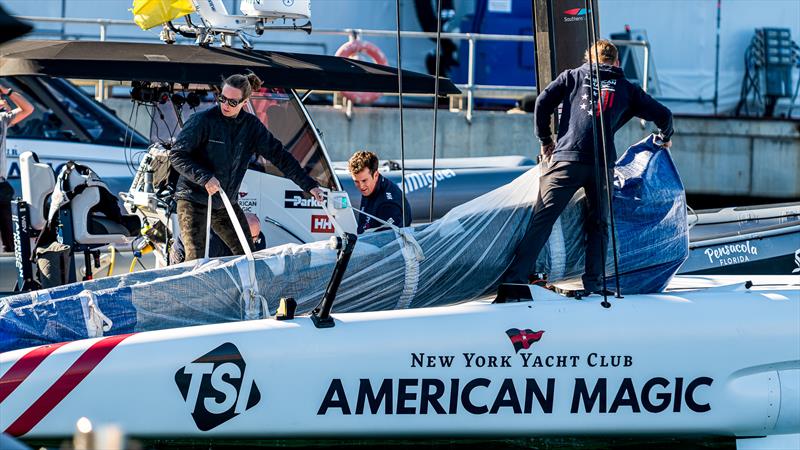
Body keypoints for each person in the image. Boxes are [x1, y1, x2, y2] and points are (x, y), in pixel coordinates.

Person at [504, 40, 673, 293]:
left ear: (588, 59)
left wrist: (546, 140)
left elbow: (542, 102)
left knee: (543, 220)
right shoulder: (628, 89)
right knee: (600, 224)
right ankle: (593, 284)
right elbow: (664, 115)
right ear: (617, 63)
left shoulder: (571, 76)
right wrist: (665, 136)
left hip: (566, 160)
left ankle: (514, 280)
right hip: (601, 165)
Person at [170, 73, 323, 261]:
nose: (225, 105)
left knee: (247, 254)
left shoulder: (251, 127)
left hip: (224, 201)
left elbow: (281, 157)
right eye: (222, 99)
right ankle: (193, 287)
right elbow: (177, 155)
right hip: (193, 197)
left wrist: (309, 185)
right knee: (196, 258)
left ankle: (246, 290)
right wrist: (205, 177)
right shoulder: (202, 121)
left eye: (232, 102)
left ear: (245, 102)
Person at [0, 84, 34, 252]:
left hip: (1, 185)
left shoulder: (2, 120)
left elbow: (28, 109)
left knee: (10, 238)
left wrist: (8, 92)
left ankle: (12, 261)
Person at [348, 150, 412, 233]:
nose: (361, 186)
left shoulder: (388, 204)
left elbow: (386, 240)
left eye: (364, 181)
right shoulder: (371, 188)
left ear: (376, 175)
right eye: (356, 181)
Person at [170, 213, 266, 263]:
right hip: (186, 252)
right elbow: (199, 271)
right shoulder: (213, 241)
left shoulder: (258, 237)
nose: (253, 241)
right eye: (249, 238)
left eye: (255, 237)